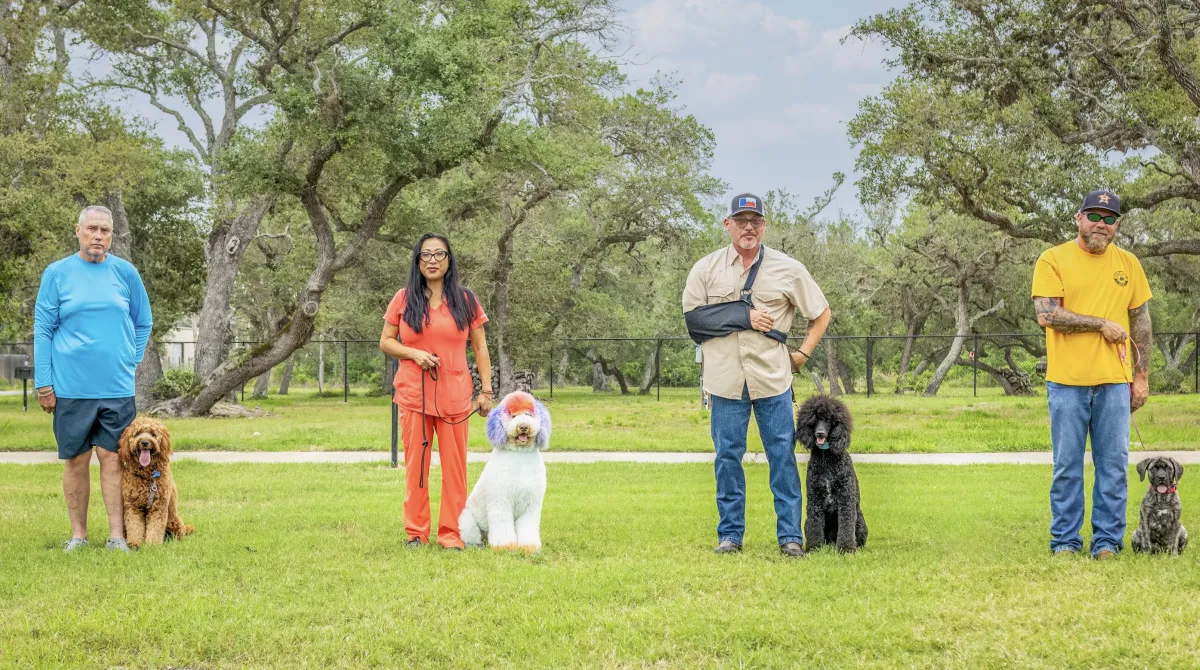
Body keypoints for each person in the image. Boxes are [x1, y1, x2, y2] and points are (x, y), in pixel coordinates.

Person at [682, 193, 832, 557]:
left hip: (772, 380)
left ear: (764, 226)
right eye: (741, 220)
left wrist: (801, 354)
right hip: (724, 382)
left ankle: (790, 538)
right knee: (727, 458)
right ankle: (730, 536)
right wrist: (744, 317)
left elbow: (822, 313)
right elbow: (695, 322)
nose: (748, 227)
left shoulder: (788, 268)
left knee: (782, 457)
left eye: (755, 221)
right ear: (727, 224)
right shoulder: (706, 268)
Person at [1032, 189, 1153, 560]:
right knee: (1067, 466)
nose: (1101, 225)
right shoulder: (1053, 259)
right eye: (1094, 216)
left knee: (1113, 466)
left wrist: (1142, 375)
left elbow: (1142, 320)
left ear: (1117, 225)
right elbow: (1048, 314)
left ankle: (1107, 543)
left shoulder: (1129, 263)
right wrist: (1101, 324)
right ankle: (1065, 542)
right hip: (1067, 383)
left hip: (1115, 383)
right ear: (1079, 218)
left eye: (1110, 218)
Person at [33, 205, 153, 552]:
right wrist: (45, 383)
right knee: (76, 459)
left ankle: (117, 536)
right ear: (78, 231)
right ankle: (79, 536)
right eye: (92, 229)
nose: (99, 236)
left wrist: (132, 359)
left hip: (117, 388)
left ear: (111, 235)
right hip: (70, 388)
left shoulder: (126, 273)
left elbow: (143, 321)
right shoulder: (57, 274)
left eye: (105, 231)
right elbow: (43, 330)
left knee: (114, 459)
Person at [379, 233, 493, 550]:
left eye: (439, 254)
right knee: (417, 467)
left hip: (455, 397)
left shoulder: (466, 301)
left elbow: (481, 347)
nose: (432, 260)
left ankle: (452, 533)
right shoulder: (403, 298)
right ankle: (416, 533)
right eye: (425, 254)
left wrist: (486, 390)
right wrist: (413, 354)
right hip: (414, 395)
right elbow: (385, 341)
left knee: (455, 469)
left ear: (449, 260)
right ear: (417, 260)